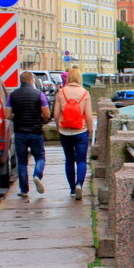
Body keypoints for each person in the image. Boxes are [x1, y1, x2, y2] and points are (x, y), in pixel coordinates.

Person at [5, 70, 50, 198]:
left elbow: (7, 115)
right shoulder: (39, 94)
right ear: (31, 80)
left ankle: (24, 189)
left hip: (20, 132)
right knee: (40, 157)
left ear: (21, 81)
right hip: (35, 131)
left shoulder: (12, 95)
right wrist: (40, 118)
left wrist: (16, 117)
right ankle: (37, 175)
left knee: (22, 162)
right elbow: (46, 114)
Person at [52, 68, 93, 200]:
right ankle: (79, 184)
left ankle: (72, 189)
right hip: (81, 130)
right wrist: (90, 130)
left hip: (65, 131)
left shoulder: (61, 92)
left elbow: (56, 114)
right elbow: (89, 116)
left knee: (69, 160)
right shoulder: (85, 93)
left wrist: (58, 126)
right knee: (81, 160)